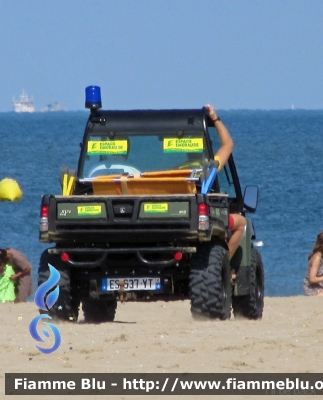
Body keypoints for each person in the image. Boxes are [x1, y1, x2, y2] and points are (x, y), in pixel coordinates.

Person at [205, 104, 246, 272]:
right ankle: (224, 265)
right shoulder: (205, 167)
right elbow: (228, 145)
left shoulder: (166, 171)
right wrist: (215, 118)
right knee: (242, 222)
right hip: (198, 219)